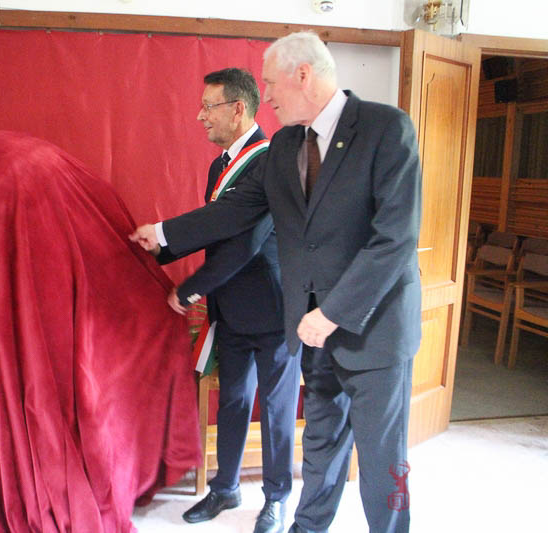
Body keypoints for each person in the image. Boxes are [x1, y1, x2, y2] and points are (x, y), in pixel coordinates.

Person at [131, 31, 422, 533]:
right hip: (312, 330)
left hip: (374, 330)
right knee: (320, 449)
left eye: (270, 84)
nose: (264, 96)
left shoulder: (385, 128)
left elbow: (394, 240)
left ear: (303, 75)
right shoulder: (285, 144)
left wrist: (332, 313)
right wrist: (162, 234)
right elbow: (238, 210)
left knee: (382, 462)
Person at [156, 68, 300, 533]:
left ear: (238, 109)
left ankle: (276, 498)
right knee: (233, 403)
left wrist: (190, 287)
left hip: (275, 312)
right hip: (232, 311)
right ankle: (225, 488)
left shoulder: (272, 161)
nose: (201, 116)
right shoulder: (220, 165)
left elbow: (247, 243)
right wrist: (159, 253)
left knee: (275, 411)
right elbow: (213, 228)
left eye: (208, 106)